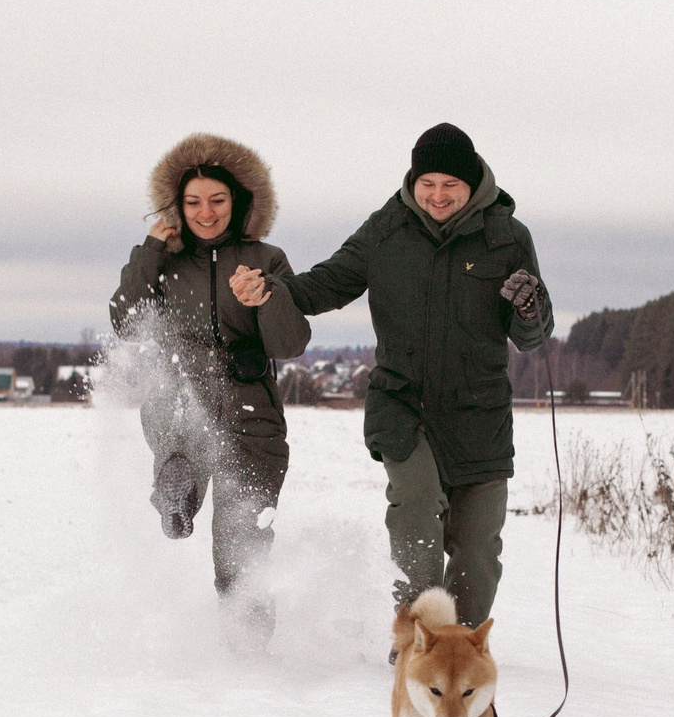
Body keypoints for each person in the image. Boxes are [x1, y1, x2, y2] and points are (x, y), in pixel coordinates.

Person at [233, 122, 550, 631]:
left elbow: (530, 334)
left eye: (451, 185)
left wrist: (532, 308)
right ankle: (419, 638)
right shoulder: (387, 230)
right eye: (428, 183)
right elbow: (327, 283)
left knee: (478, 551)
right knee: (416, 511)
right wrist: (271, 289)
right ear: (413, 180)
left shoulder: (507, 238)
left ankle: (459, 647)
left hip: (480, 413)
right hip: (403, 406)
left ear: (472, 185)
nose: (438, 195)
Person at [110, 134, 311, 645]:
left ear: (238, 202)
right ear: (176, 207)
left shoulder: (266, 256)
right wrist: (154, 247)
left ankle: (247, 649)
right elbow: (124, 319)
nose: (206, 212)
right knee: (179, 423)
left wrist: (266, 299)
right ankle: (178, 482)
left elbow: (291, 343)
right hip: (185, 397)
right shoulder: (162, 260)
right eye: (194, 202)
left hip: (252, 410)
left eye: (218, 201)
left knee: (243, 545)